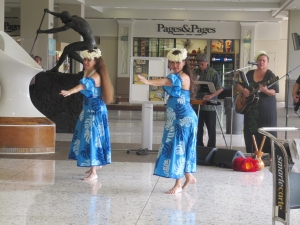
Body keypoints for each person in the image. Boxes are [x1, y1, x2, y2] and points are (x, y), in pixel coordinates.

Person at [138, 48, 198, 194]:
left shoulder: (182, 77)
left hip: (183, 120)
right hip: (177, 120)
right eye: (173, 62)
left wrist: (148, 81)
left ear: (184, 63)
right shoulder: (175, 75)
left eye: (178, 62)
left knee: (179, 150)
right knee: (179, 149)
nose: (176, 65)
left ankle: (178, 184)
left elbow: (165, 81)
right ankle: (188, 177)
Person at [60, 48, 114, 181]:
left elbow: (83, 86)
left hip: (95, 113)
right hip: (88, 111)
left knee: (93, 139)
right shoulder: (88, 72)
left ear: (96, 61)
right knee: (89, 138)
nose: (85, 62)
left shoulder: (95, 76)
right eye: (84, 59)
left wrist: (70, 91)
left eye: (88, 60)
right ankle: (93, 166)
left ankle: (94, 172)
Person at [236, 51, 279, 154]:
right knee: (250, 130)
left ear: (267, 63)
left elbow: (274, 91)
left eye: (264, 61)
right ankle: (251, 153)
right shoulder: (250, 73)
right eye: (259, 60)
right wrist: (243, 91)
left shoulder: (270, 75)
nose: (261, 62)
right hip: (250, 108)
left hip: (266, 109)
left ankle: (267, 154)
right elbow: (238, 85)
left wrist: (265, 90)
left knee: (265, 131)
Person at [194, 53, 223, 147]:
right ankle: (199, 147)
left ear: (207, 62)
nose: (201, 67)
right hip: (197, 104)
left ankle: (211, 148)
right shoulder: (195, 72)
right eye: (199, 65)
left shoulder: (213, 73)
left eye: (202, 64)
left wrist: (211, 96)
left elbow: (220, 88)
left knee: (211, 128)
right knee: (198, 128)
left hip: (210, 106)